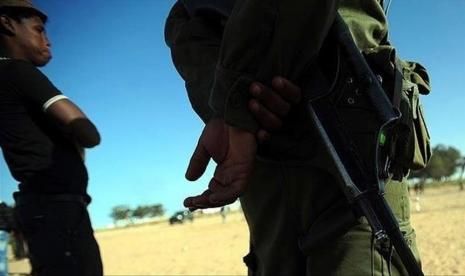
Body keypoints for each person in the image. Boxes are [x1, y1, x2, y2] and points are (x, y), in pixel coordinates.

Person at [165, 0, 425, 275]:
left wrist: (237, 106)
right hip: (261, 154)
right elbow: (185, 25)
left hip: (345, 143)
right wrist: (237, 106)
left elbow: (185, 26)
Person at [0, 1, 103, 275]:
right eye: (38, 30)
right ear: (7, 24)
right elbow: (88, 132)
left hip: (41, 208)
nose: (47, 41)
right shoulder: (18, 71)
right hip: (57, 211)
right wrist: (72, 132)